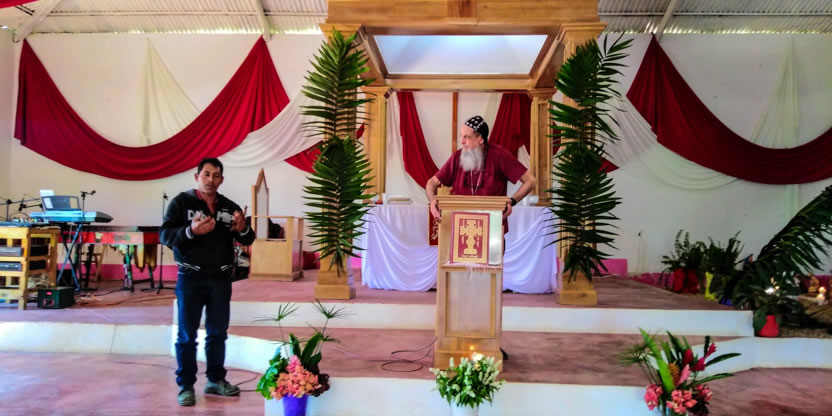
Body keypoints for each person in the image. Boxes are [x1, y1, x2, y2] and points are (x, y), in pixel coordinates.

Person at [160, 157, 255, 406]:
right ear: (197, 177)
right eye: (206, 174)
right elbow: (165, 235)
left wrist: (243, 228)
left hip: (220, 279)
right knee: (187, 335)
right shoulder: (181, 203)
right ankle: (186, 385)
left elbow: (248, 238)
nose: (211, 180)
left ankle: (215, 380)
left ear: (221, 180)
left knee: (217, 333)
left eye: (216, 176)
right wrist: (190, 231)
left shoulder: (229, 206)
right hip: (190, 277)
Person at [426, 115, 537, 228]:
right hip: (460, 225)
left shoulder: (500, 155)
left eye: (467, 137)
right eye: (461, 136)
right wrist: (433, 201)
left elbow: (531, 181)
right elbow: (431, 183)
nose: (462, 141)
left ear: (480, 138)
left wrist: (512, 201)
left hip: (492, 225)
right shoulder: (457, 157)